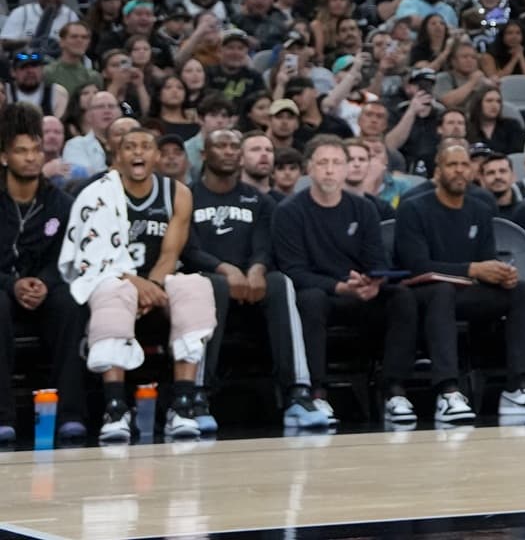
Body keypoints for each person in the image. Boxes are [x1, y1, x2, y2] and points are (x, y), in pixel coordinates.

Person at [59, 126, 218, 442]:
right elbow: (92, 255)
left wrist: (152, 286)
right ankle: (115, 407)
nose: (137, 152)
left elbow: (171, 253)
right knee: (112, 294)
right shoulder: (97, 193)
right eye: (129, 146)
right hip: (111, 276)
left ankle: (183, 403)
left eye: (146, 146)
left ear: (156, 156)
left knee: (195, 288)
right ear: (118, 155)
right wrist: (134, 284)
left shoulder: (177, 193)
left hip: (158, 278)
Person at [395, 139, 525, 421]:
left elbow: (486, 259)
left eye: (465, 165)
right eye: (452, 165)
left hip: (467, 292)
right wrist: (474, 270)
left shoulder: (480, 207)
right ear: (437, 171)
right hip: (424, 294)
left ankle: (519, 388)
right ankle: (448, 391)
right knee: (441, 291)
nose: (460, 171)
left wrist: (501, 275)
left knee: (524, 291)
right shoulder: (413, 209)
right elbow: (418, 267)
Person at [272, 136, 422, 426]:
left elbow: (377, 260)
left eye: (337, 163)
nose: (330, 170)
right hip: (322, 293)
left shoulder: (364, 209)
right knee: (309, 298)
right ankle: (316, 393)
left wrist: (373, 282)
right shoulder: (289, 212)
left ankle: (394, 390)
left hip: (360, 292)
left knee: (402, 298)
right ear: (309, 169)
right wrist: (340, 287)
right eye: (322, 163)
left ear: (346, 169)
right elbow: (294, 271)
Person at [186, 128, 327, 430]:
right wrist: (225, 268)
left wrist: (257, 268)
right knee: (211, 284)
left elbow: (265, 244)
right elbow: (189, 249)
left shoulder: (259, 200)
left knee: (281, 282)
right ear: (204, 154)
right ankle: (197, 394)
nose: (228, 151)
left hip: (251, 285)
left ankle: (298, 391)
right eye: (220, 145)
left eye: (233, 146)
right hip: (207, 283)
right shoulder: (188, 196)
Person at [0, 103, 87, 444]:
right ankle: (3, 417)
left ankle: (71, 415)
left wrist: (44, 283)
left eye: (36, 150)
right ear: (5, 157)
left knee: (71, 302)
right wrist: (12, 284)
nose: (32, 158)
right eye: (21, 151)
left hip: (44, 290)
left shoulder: (61, 203)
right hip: (4, 291)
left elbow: (67, 257)